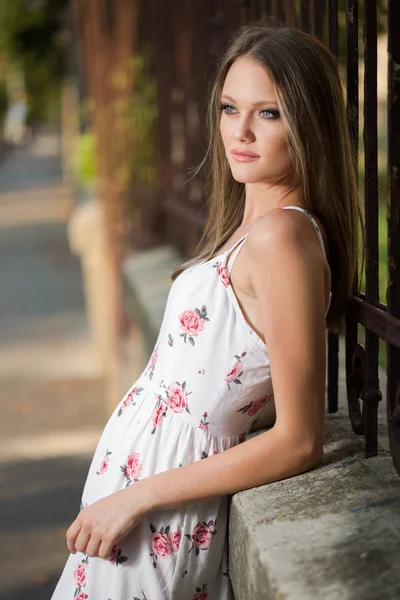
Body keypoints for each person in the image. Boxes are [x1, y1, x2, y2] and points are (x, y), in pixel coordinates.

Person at [51, 21, 364, 600]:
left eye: (268, 113)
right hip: (134, 511)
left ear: (309, 124)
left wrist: (137, 496)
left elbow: (300, 440)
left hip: (159, 518)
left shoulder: (281, 241)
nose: (240, 132)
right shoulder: (250, 230)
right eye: (229, 107)